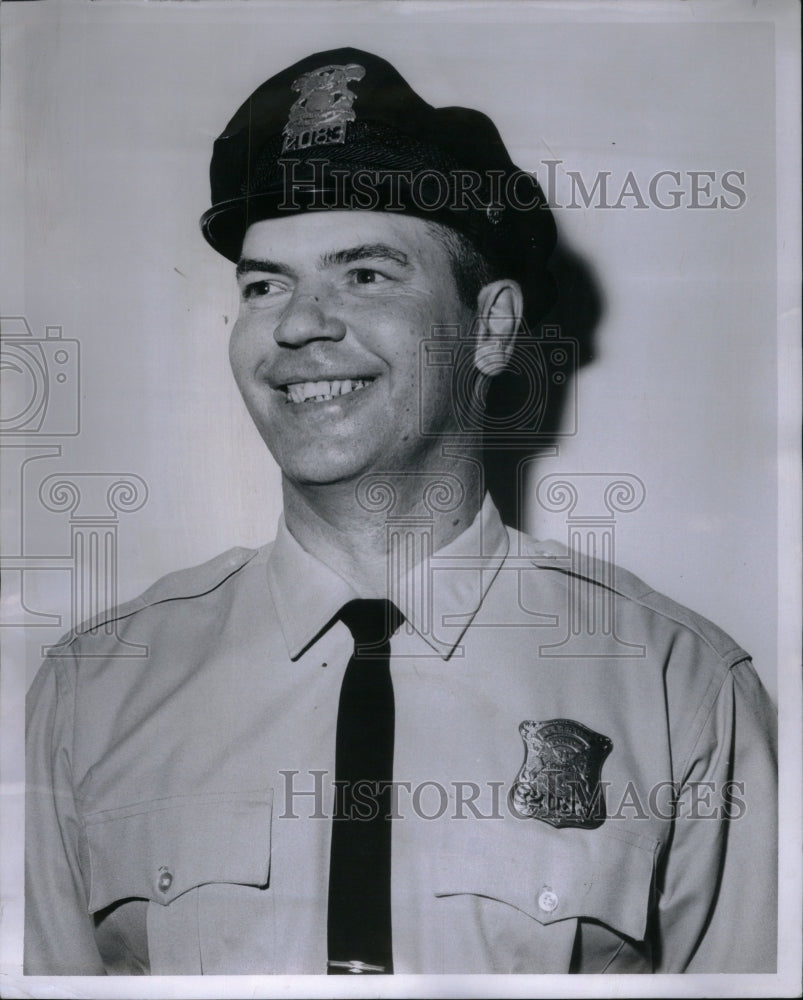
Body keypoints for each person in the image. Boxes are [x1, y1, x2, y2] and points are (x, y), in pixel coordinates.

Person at [25, 46, 777, 977]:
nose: (298, 324)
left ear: (491, 328)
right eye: (264, 285)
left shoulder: (677, 687)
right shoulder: (92, 691)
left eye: (366, 275)